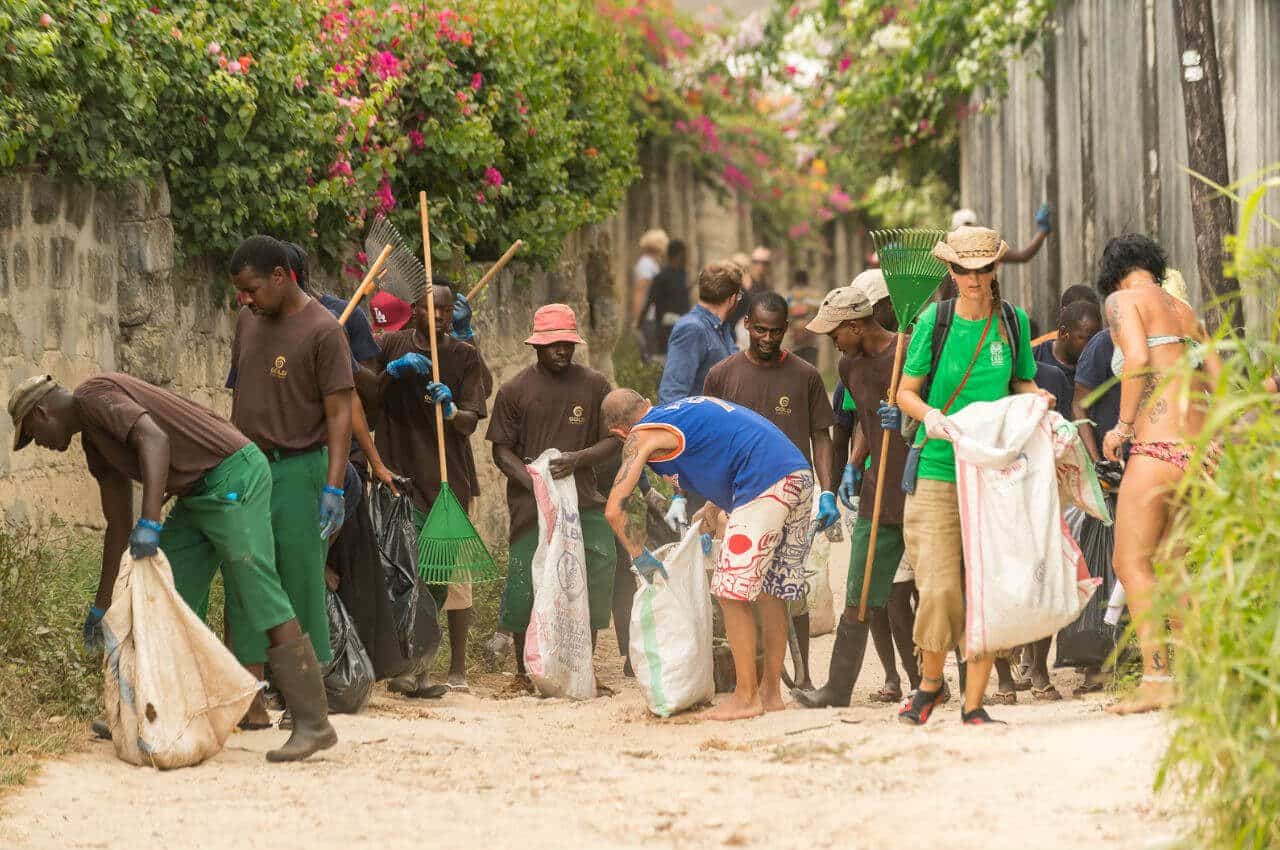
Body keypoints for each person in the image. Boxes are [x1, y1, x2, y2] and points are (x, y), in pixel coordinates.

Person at [7, 373, 337, 762]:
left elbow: (155, 439)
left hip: (232, 473)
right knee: (163, 592)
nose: (41, 447)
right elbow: (117, 526)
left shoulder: (92, 397)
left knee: (257, 588)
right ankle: (163, 712)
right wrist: (102, 605)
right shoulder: (95, 445)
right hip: (197, 491)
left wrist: (151, 521)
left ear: (41, 413)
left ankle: (314, 722)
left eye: (33, 435)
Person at [890, 225, 1052, 726]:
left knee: (987, 586)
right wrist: (929, 417)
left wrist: (1036, 397)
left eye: (983, 269)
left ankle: (974, 702)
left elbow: (1021, 378)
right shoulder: (933, 323)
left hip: (995, 469)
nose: (974, 280)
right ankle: (930, 685)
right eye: (964, 270)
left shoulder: (1013, 321)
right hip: (939, 467)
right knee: (939, 586)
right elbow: (905, 393)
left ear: (995, 269)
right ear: (951, 271)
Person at [602, 388, 838, 720]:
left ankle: (745, 697)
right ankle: (770, 694)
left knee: (729, 591)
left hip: (764, 484)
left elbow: (615, 509)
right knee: (771, 590)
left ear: (618, 432)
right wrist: (713, 508)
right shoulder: (680, 412)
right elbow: (732, 446)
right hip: (797, 477)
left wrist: (640, 555)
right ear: (647, 403)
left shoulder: (641, 434)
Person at [225, 235, 353, 724]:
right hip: (247, 467)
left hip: (301, 470)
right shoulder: (248, 322)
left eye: (252, 288)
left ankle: (304, 706)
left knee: (299, 583)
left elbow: (340, 414)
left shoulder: (323, 331)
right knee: (244, 577)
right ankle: (251, 702)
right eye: (241, 292)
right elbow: (239, 397)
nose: (245, 299)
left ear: (281, 276)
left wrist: (334, 486)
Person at [1097, 235, 1220, 716]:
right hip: (1201, 448)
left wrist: (1123, 427)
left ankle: (1157, 680)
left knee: (1131, 563)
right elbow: (1215, 375)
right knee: (1171, 564)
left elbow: (1138, 360)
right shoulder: (1184, 309)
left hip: (1156, 446)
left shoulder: (1122, 300)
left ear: (1114, 274)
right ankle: (1200, 676)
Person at [702, 291, 838, 690]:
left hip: (793, 499)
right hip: (740, 498)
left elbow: (821, 436)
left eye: (775, 332)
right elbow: (710, 439)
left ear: (786, 330)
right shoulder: (722, 375)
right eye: (759, 329)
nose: (766, 338)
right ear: (746, 325)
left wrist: (826, 490)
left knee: (790, 587)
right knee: (744, 588)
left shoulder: (805, 375)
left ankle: (803, 677)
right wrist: (707, 496)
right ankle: (757, 678)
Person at [793, 283, 916, 708]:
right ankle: (838, 689)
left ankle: (933, 684)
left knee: (937, 588)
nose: (832, 343)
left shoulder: (910, 350)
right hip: (876, 490)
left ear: (856, 325)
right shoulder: (849, 368)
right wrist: (852, 465)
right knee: (859, 589)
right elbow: (865, 420)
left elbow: (942, 408)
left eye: (835, 334)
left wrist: (907, 417)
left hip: (921, 485)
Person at [487, 305, 620, 692]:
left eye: (567, 344)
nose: (562, 350)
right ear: (536, 346)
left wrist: (579, 459)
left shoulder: (595, 386)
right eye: (553, 344)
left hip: (583, 499)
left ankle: (584, 665)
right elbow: (501, 451)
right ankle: (521, 672)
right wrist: (535, 483)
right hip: (532, 505)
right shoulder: (514, 390)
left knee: (596, 565)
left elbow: (614, 438)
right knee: (526, 576)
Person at [364, 283, 488, 697]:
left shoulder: (463, 356)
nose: (437, 318)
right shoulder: (389, 344)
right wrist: (390, 373)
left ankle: (421, 669)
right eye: (429, 309)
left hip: (447, 483)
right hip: (399, 476)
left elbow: (472, 419)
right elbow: (363, 395)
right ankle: (400, 663)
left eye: (445, 311)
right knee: (402, 573)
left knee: (435, 579)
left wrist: (451, 410)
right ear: (413, 310)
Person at [657, 261, 741, 404]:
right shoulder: (692, 329)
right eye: (739, 296)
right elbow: (672, 394)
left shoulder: (722, 329)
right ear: (732, 299)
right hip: (696, 424)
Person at [950, 205, 1052, 264]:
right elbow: (1023, 256)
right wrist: (1042, 231)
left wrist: (1042, 232)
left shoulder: (987, 247)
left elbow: (1023, 256)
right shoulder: (946, 255)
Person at [1033, 300, 1102, 384]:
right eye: (1085, 338)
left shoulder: (1097, 369)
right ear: (1063, 333)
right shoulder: (1034, 358)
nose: (1092, 345)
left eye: (1096, 339)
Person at [641, 238, 691, 355]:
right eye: (684, 255)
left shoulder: (682, 275)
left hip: (683, 326)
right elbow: (650, 300)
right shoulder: (662, 276)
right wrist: (639, 324)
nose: (686, 258)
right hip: (665, 329)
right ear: (677, 255)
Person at [631, 228, 669, 329]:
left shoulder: (652, 264)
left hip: (654, 316)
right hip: (648, 318)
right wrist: (638, 319)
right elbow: (640, 291)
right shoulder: (646, 264)